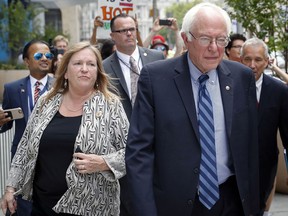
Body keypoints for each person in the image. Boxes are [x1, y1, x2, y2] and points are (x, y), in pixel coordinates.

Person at [125, 3, 259, 216]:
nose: (214, 47)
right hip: (175, 204)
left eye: (221, 39)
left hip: (231, 201)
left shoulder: (242, 77)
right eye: (205, 39)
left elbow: (251, 147)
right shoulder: (156, 79)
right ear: (186, 38)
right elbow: (139, 153)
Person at [0, 41, 129, 216]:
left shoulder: (110, 104)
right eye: (77, 63)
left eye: (91, 64)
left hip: (93, 208)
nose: (85, 69)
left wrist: (104, 163)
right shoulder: (47, 101)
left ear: (97, 72)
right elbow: (24, 149)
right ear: (66, 72)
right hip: (43, 206)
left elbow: (131, 152)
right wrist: (10, 188)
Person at [103, 13, 164, 216]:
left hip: (159, 141)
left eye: (132, 29)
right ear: (113, 35)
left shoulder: (157, 58)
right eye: (123, 30)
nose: (129, 34)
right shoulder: (103, 68)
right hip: (124, 146)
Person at [0, 39, 54, 215]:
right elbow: (6, 125)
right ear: (27, 61)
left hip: (53, 157)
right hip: (22, 159)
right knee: (22, 207)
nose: (45, 58)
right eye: (38, 55)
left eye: (48, 55)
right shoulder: (12, 88)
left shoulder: (62, 87)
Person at [240, 37, 288, 216]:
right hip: (232, 169)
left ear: (267, 62)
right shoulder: (228, 87)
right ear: (241, 59)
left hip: (264, 167)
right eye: (247, 59)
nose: (252, 65)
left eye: (258, 59)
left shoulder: (279, 91)